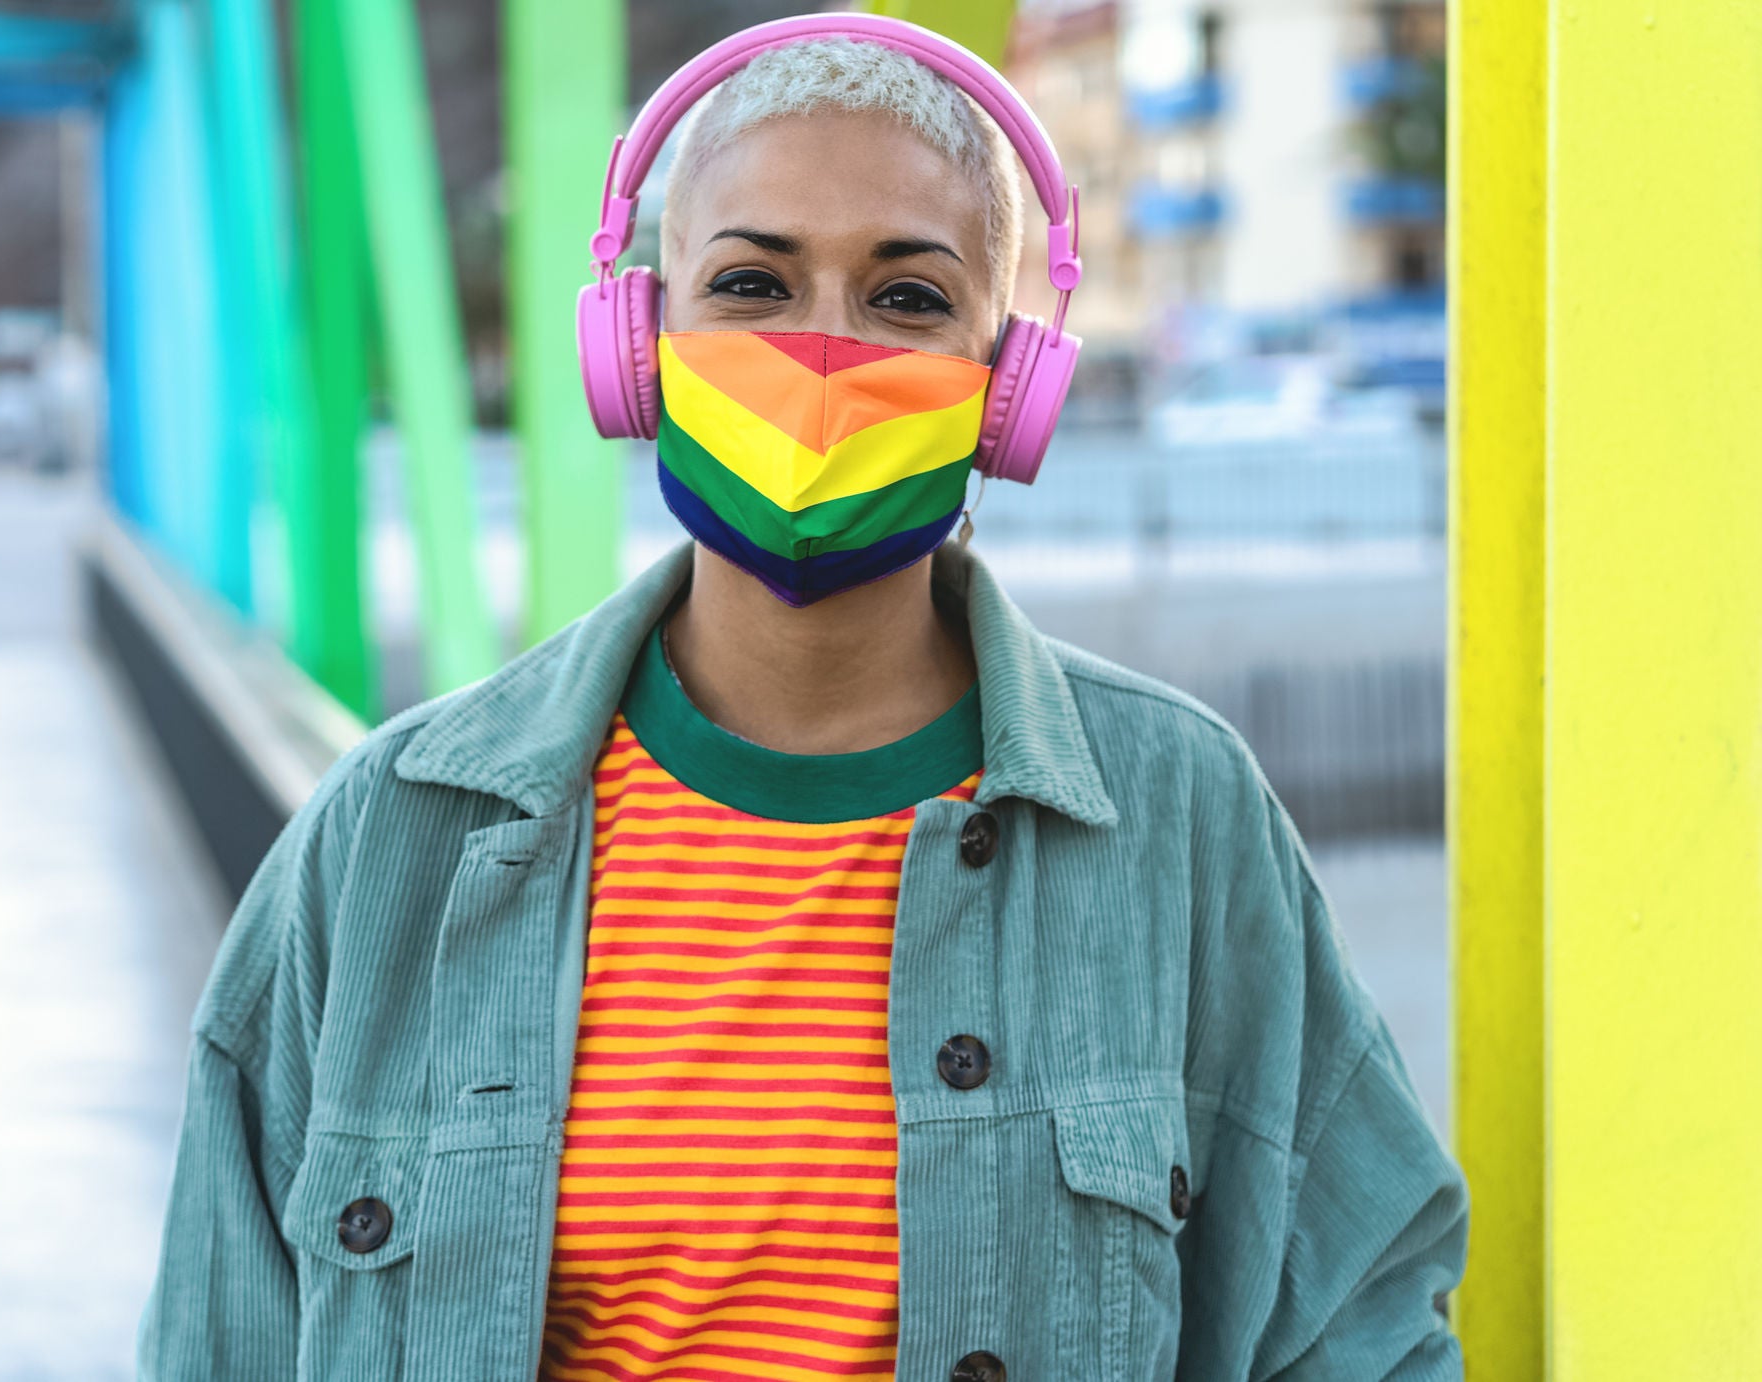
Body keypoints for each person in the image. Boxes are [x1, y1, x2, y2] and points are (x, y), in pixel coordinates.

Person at [138, 16, 1467, 1381]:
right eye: (752, 283)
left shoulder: (1179, 816)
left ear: (1007, 389)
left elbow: (1360, 1325)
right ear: (639, 346)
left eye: (907, 297)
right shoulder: (387, 839)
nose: (822, 353)